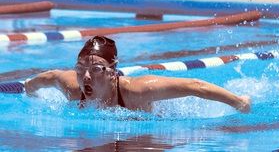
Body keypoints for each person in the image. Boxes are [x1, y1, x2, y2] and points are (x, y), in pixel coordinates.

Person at [25, 35, 250, 113]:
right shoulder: (73, 89)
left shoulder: (137, 90)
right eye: (80, 68)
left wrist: (239, 102)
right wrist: (29, 91)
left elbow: (194, 86)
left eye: (95, 69)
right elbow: (50, 76)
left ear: (112, 71)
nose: (86, 77)